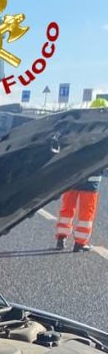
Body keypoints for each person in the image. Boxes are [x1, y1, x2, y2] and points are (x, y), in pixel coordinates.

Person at [55, 97, 107, 252]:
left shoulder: (79, 127)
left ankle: (61, 238)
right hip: (91, 181)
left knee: (67, 208)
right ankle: (80, 243)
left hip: (72, 177)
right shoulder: (105, 132)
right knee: (86, 213)